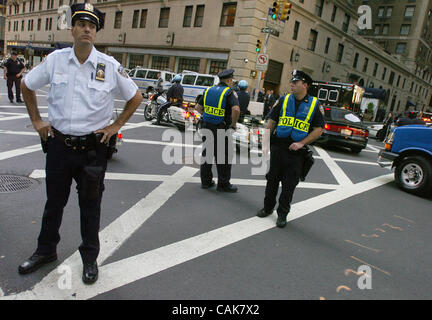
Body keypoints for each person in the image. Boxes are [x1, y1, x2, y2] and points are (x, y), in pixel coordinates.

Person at [18, 2, 143, 284]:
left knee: (90, 205)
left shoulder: (109, 66)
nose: (87, 29)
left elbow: (135, 97)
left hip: (92, 149)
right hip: (59, 146)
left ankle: (89, 259)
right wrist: (38, 121)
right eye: (82, 25)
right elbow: (27, 85)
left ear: (95, 32)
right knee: (54, 203)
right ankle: (46, 250)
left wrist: (116, 125)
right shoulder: (55, 60)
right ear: (73, 29)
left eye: (92, 26)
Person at [257, 70, 325, 228]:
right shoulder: (283, 100)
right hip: (278, 148)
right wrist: (265, 144)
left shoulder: (315, 104)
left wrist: (302, 143)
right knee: (272, 181)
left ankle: (282, 214)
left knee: (289, 186)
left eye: (296, 82)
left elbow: (318, 129)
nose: (292, 85)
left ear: (305, 85)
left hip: (296, 154)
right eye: (291, 82)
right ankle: (267, 208)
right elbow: (271, 122)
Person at [195, 68, 240, 193]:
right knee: (223, 156)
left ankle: (206, 182)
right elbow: (236, 109)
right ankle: (223, 184)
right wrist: (233, 124)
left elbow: (198, 107)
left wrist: (207, 115)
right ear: (229, 80)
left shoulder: (208, 90)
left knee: (207, 154)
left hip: (206, 125)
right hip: (221, 128)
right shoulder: (229, 92)